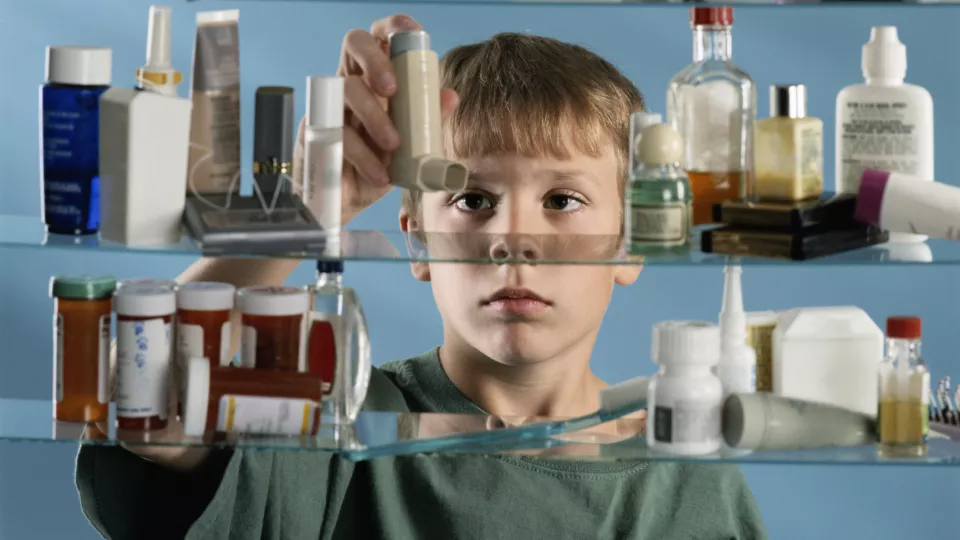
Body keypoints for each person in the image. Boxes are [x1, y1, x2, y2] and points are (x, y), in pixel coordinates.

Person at [76, 13, 767, 540]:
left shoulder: (690, 480)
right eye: (473, 201)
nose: (510, 241)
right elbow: (127, 387)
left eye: (562, 201)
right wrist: (305, 211)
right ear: (416, 242)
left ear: (634, 243)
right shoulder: (339, 420)